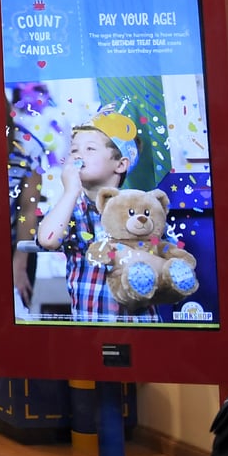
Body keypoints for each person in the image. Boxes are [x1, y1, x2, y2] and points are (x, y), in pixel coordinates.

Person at [33, 123, 148, 322]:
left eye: (90, 149)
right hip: (89, 330)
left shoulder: (139, 208)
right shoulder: (73, 209)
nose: (78, 155)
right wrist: (70, 192)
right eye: (74, 150)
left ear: (120, 165)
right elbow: (48, 240)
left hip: (141, 328)